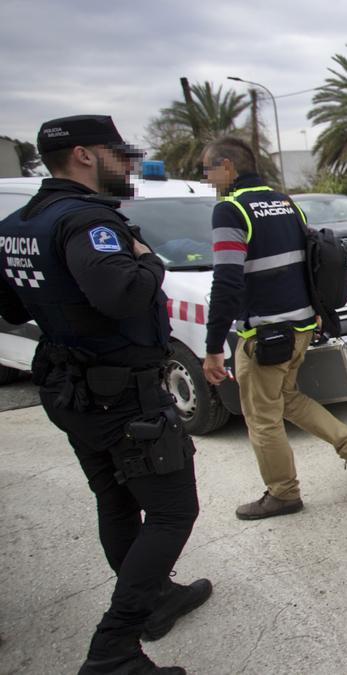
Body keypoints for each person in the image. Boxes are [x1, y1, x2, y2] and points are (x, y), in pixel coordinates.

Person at [0, 115, 209, 674]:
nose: (131, 166)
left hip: (71, 388)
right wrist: (150, 260)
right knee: (172, 512)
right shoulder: (89, 222)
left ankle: (156, 600)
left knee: (116, 500)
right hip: (123, 396)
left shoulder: (20, 223)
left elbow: (13, 308)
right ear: (86, 157)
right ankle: (114, 649)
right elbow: (121, 293)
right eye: (121, 156)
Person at [198, 136, 347, 520]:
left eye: (208, 169)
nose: (207, 177)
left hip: (263, 336)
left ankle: (283, 493)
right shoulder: (286, 203)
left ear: (227, 167)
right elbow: (309, 263)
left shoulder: (230, 210)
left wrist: (213, 346)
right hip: (298, 329)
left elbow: (226, 281)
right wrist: (315, 313)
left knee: (262, 418)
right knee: (288, 399)